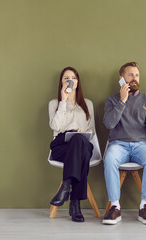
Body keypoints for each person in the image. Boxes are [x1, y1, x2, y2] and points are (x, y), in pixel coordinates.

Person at [102, 62, 146, 225]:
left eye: (136, 75)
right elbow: (109, 124)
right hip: (118, 145)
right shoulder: (112, 100)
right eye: (130, 75)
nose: (134, 79)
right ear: (121, 79)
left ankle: (144, 206)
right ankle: (114, 207)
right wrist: (122, 101)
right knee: (110, 158)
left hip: (141, 144)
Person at [48, 66, 96, 222]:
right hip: (61, 144)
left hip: (83, 142)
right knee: (80, 152)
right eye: (66, 78)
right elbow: (56, 127)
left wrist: (80, 134)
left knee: (79, 140)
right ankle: (75, 204)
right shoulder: (54, 103)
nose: (70, 80)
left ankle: (65, 187)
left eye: (73, 78)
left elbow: (92, 131)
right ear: (62, 82)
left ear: (77, 82)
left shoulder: (87, 104)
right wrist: (63, 101)